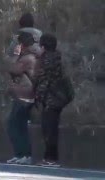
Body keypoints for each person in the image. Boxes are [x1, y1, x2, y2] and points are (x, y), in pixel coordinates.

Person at [35, 34, 74, 167]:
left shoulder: (46, 60)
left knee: (49, 130)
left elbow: (44, 82)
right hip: (58, 99)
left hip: (50, 100)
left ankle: (50, 158)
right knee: (52, 129)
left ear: (43, 46)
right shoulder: (58, 58)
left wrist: (39, 96)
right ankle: (50, 157)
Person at [5, 32, 40, 165]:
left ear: (22, 45)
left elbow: (13, 69)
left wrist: (15, 55)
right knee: (18, 126)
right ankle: (20, 154)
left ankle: (24, 154)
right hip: (25, 95)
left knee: (14, 126)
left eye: (18, 43)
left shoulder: (27, 58)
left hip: (24, 97)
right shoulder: (31, 56)